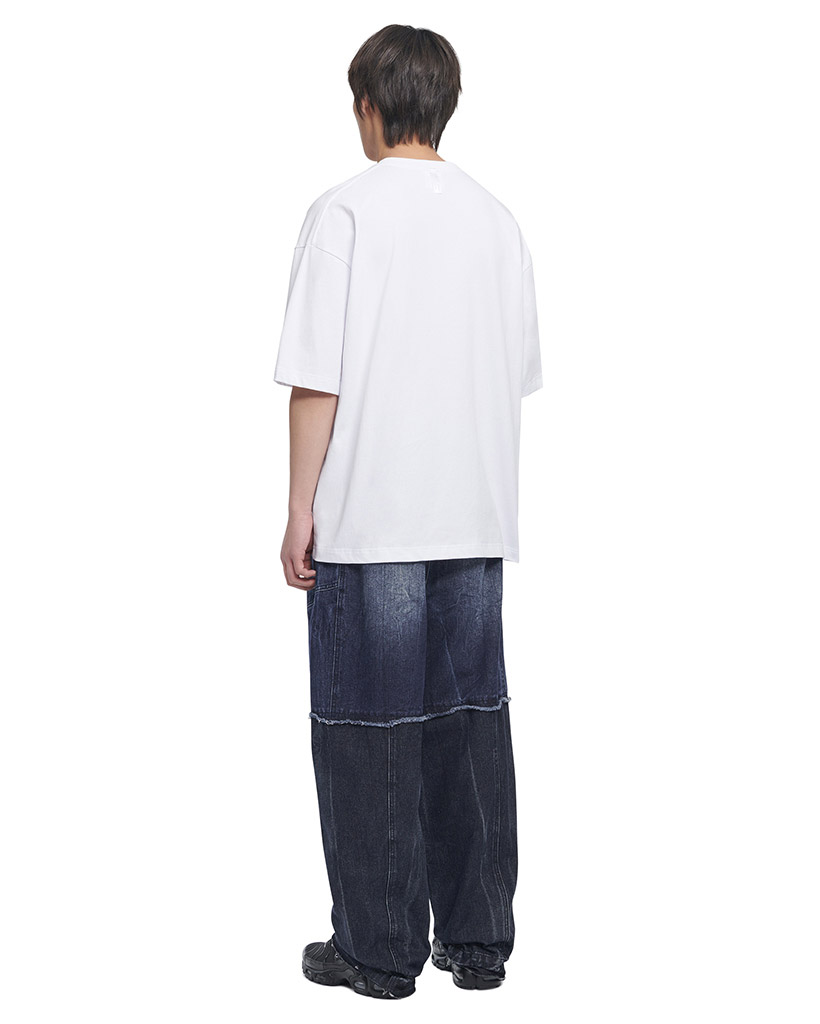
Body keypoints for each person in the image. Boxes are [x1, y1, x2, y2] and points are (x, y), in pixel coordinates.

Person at [274, 24, 543, 1000]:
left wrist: (298, 506)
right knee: (468, 726)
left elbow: (317, 379)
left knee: (367, 728)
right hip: (474, 516)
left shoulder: (345, 212)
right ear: (444, 105)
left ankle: (379, 950)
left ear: (370, 106)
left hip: (373, 516)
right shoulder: (497, 221)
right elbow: (513, 372)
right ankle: (476, 940)